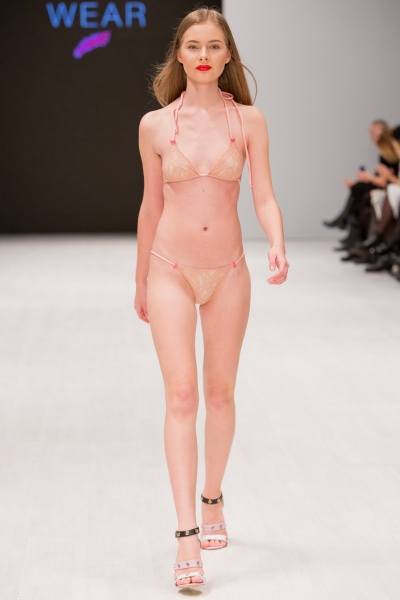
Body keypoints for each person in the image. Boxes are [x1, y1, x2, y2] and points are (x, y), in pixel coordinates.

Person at [134, 7, 289, 591]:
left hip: (229, 271)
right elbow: (151, 205)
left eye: (214, 46)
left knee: (219, 395)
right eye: (194, 45)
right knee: (181, 395)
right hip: (169, 270)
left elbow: (264, 194)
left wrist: (277, 242)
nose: (203, 55)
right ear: (179, 53)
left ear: (228, 56)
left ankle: (213, 496)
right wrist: (140, 279)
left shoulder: (248, 120)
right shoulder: (154, 125)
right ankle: (186, 534)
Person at [323, 120, 399, 242]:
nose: (371, 135)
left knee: (360, 191)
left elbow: (389, 181)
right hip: (388, 187)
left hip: (389, 187)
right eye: (370, 132)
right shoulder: (385, 154)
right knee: (360, 191)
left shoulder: (390, 156)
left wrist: (371, 178)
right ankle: (354, 233)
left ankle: (346, 223)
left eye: (374, 131)